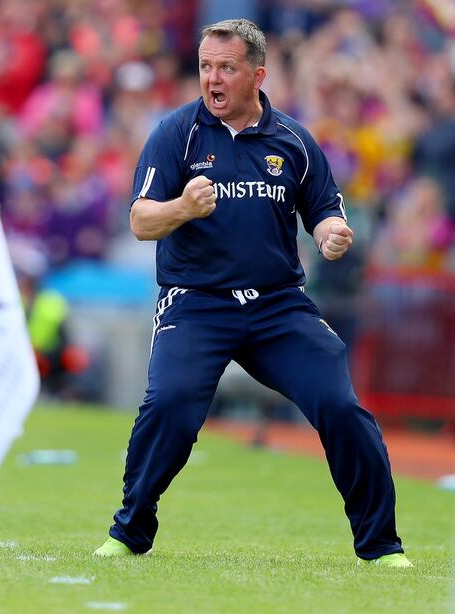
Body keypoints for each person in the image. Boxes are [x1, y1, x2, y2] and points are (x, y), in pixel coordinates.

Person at [93, 20, 412, 568]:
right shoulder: (176, 133)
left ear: (257, 75)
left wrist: (331, 231)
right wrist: (182, 209)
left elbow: (323, 209)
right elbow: (141, 221)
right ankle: (129, 531)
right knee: (169, 405)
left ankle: (381, 546)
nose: (212, 79)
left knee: (339, 403)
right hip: (197, 303)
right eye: (204, 67)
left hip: (276, 306)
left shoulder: (293, 140)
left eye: (226, 68)